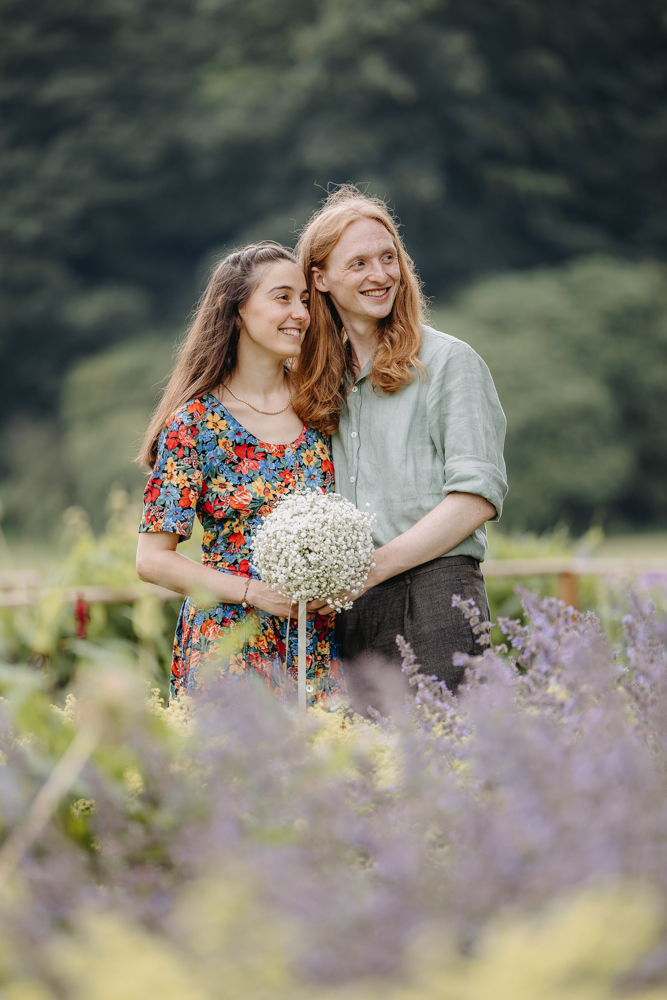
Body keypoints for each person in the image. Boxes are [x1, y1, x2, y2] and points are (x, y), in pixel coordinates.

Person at [292, 187, 507, 708]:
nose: (380, 275)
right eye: (359, 263)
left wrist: (374, 567)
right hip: (349, 609)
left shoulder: (450, 362)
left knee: (447, 766)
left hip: (437, 596)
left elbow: (476, 496)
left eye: (389, 258)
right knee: (368, 773)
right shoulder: (315, 383)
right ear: (320, 279)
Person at [136, 243, 345, 709]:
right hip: (229, 641)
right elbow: (152, 559)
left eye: (305, 300)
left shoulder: (324, 404)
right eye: (282, 297)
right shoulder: (194, 424)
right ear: (237, 312)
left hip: (320, 640)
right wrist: (255, 593)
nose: (301, 313)